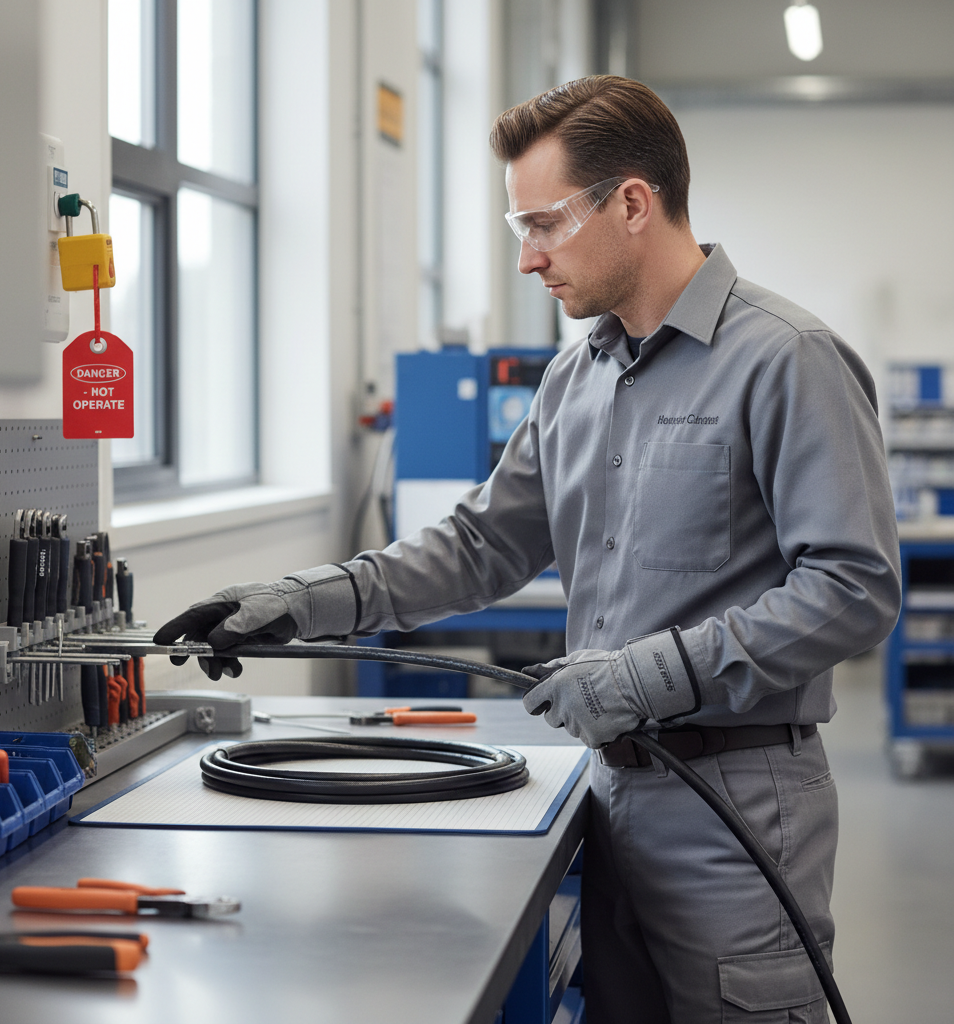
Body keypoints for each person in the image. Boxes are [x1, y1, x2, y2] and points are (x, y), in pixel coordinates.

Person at [156, 76, 901, 1024]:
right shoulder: (573, 378)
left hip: (739, 804)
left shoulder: (787, 357)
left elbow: (853, 588)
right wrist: (304, 601)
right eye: (520, 230)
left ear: (634, 203)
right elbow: (477, 545)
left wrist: (645, 676)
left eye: (542, 225)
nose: (527, 259)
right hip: (603, 791)